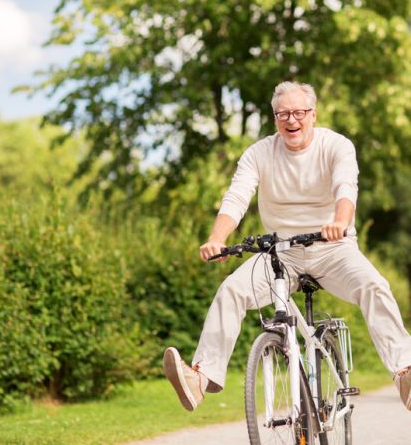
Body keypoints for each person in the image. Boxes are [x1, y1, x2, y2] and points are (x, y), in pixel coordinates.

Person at [163, 81, 411, 412]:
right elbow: (237, 197)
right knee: (231, 291)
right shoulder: (259, 153)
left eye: (298, 112)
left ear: (313, 114)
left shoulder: (336, 146)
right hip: (280, 253)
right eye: (283, 114)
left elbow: (345, 188)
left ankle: (404, 371)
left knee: (374, 286)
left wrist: (339, 221)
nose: (291, 120)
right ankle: (201, 379)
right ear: (275, 117)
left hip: (333, 248)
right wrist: (216, 239)